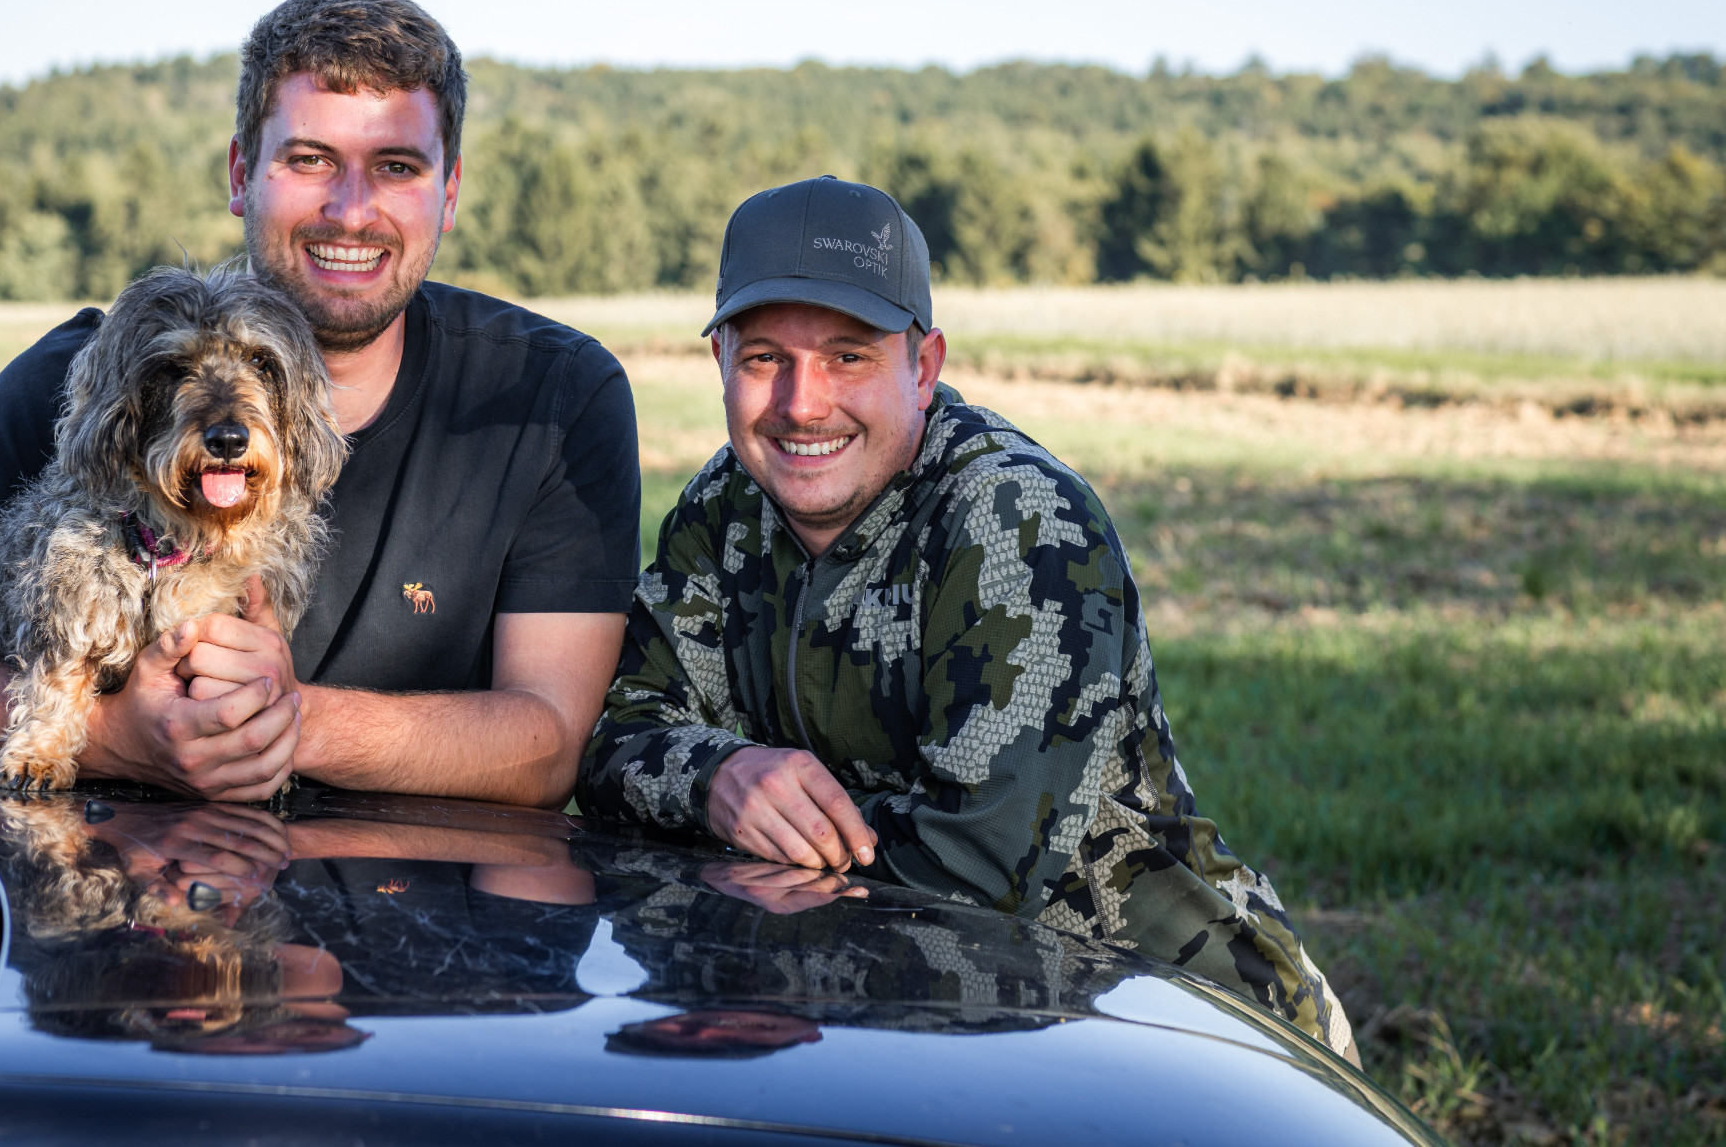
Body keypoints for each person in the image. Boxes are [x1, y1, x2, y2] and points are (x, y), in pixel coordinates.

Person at [576, 176, 1355, 1057]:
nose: (802, 403)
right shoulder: (724, 506)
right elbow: (609, 738)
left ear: (925, 364)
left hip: (1166, 1022)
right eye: (765, 358)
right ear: (719, 359)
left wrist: (767, 842)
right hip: (891, 1021)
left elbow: (978, 868)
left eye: (848, 355)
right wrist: (722, 776)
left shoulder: (1018, 523)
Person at [0, 0, 640, 808]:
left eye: (396, 166)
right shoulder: (90, 377)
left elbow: (549, 748)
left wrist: (285, 722)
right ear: (242, 172)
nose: (351, 212)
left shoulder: (552, 398)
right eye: (309, 158)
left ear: (449, 190)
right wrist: (117, 738)